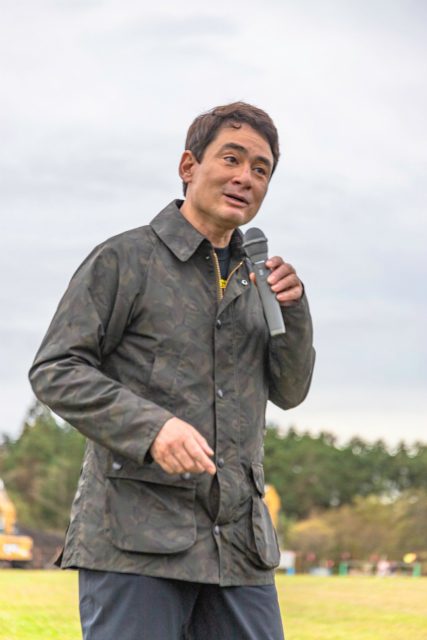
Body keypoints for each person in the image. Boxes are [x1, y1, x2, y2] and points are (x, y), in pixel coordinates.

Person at [29, 102, 315, 640]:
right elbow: (56, 369)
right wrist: (153, 428)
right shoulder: (124, 259)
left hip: (240, 549)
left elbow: (291, 391)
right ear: (189, 166)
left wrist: (294, 314)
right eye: (231, 158)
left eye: (261, 169)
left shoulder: (261, 282)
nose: (246, 177)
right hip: (135, 544)